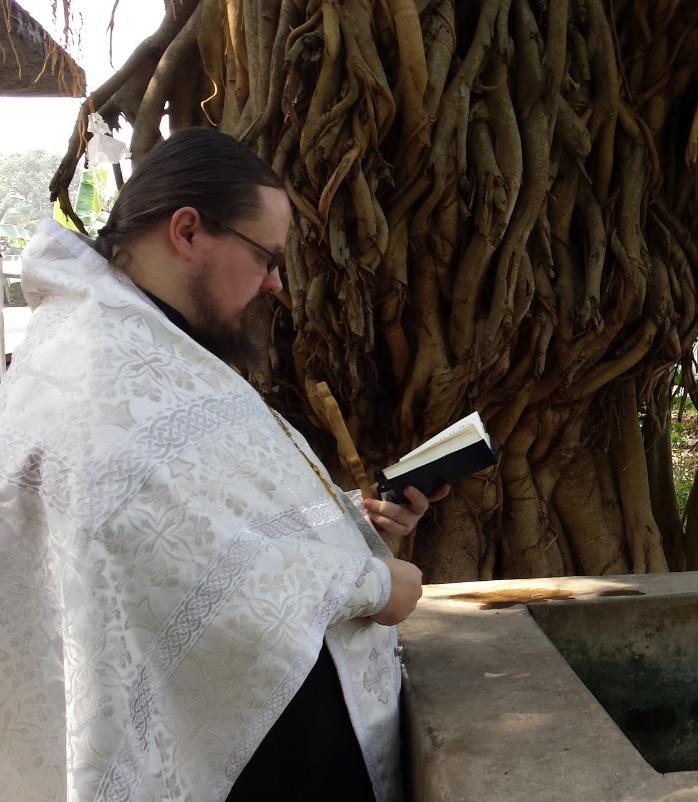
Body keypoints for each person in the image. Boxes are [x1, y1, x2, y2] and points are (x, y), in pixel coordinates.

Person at [0, 127, 447, 802]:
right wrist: (371, 586)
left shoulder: (150, 344)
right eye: (266, 255)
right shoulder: (99, 370)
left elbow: (208, 525)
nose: (275, 282)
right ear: (187, 231)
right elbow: (158, 556)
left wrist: (347, 527)